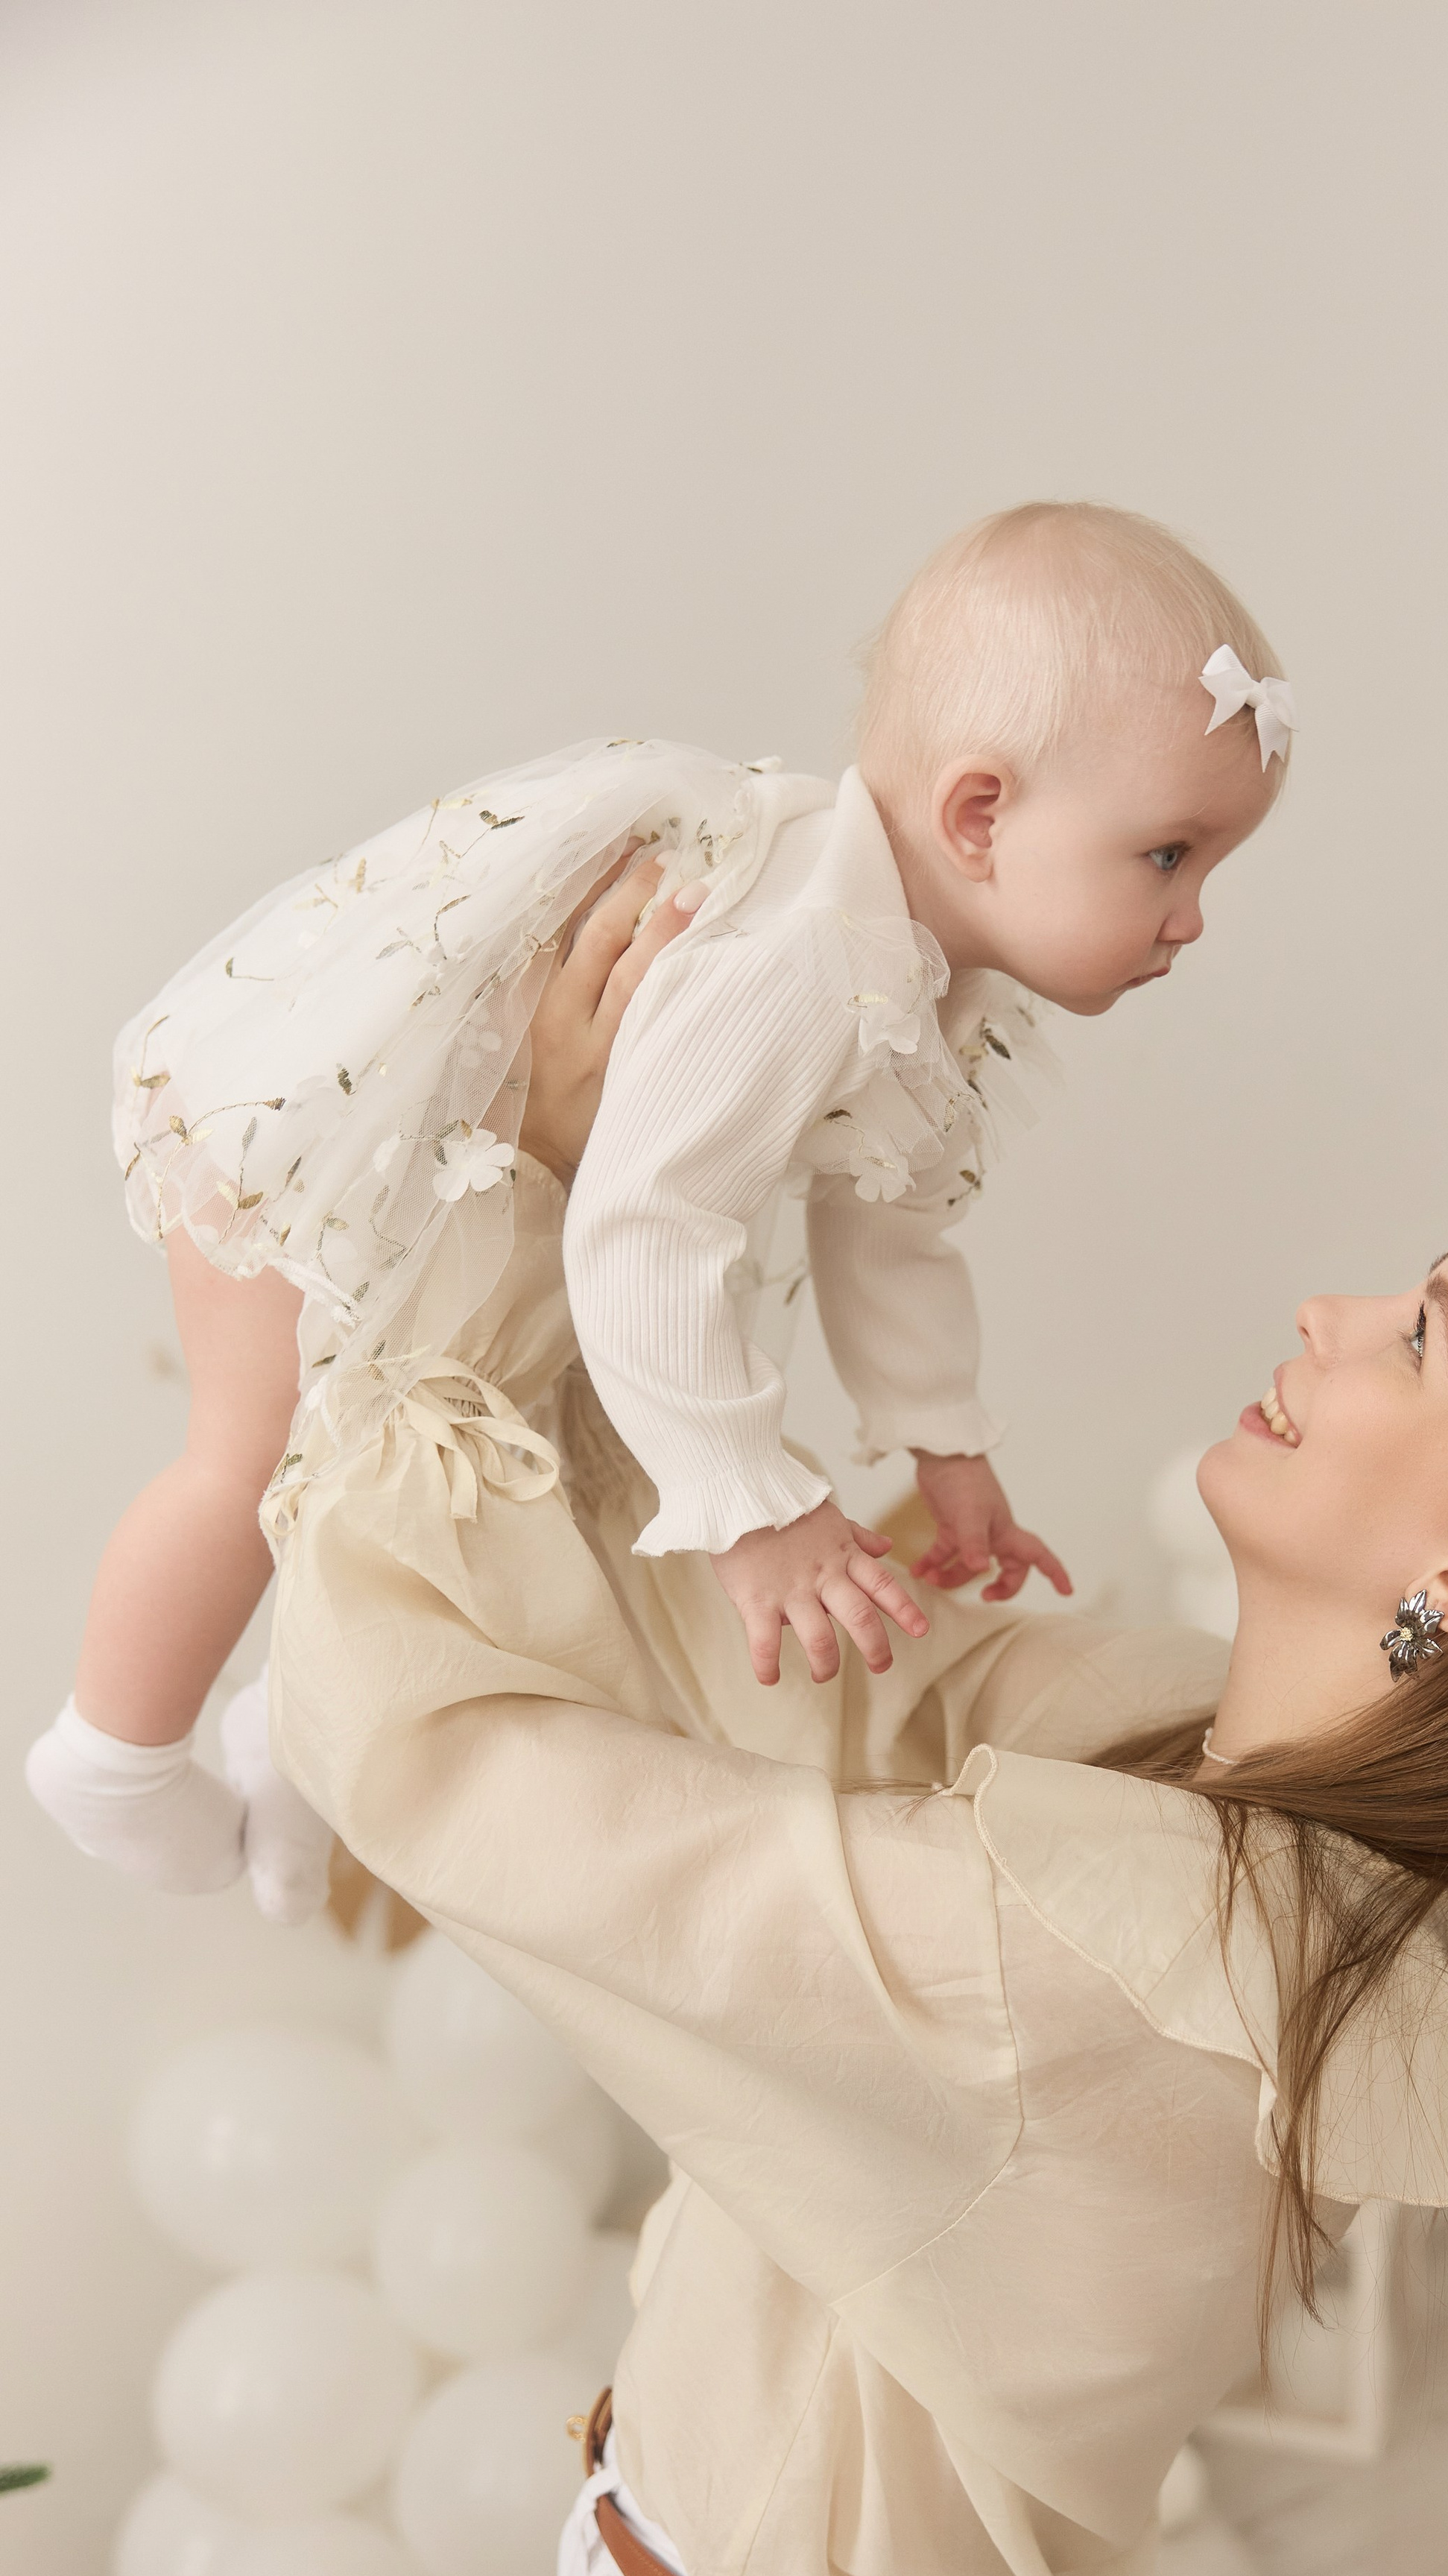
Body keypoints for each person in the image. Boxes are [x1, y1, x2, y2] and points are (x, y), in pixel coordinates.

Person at [260, 926, 1448, 2576]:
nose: (1333, 1311)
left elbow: (465, 1792)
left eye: (1424, 1333)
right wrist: (616, 1206)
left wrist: (412, 1319)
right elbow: (773, 1679)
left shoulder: (1113, 1964)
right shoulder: (1239, 1794)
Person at [26, 502, 1289, 1926]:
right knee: (258, 1453)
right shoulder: (797, 961)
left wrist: (944, 1438)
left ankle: (278, 1729)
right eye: (1168, 858)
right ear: (980, 817)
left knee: (490, 1471)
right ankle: (114, 1755)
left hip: (466, 1195)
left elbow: (889, 1227)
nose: (1191, 919)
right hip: (316, 1129)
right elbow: (642, 1230)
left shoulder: (925, 976)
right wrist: (748, 1507)